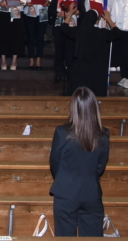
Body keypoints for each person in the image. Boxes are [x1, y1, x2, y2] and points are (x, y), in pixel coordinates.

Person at [49, 87, 110, 237]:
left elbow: (55, 163)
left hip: (66, 192)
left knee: (65, 237)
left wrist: (65, 178)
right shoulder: (103, 134)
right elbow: (100, 166)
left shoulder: (62, 132)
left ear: (73, 108)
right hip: (91, 193)